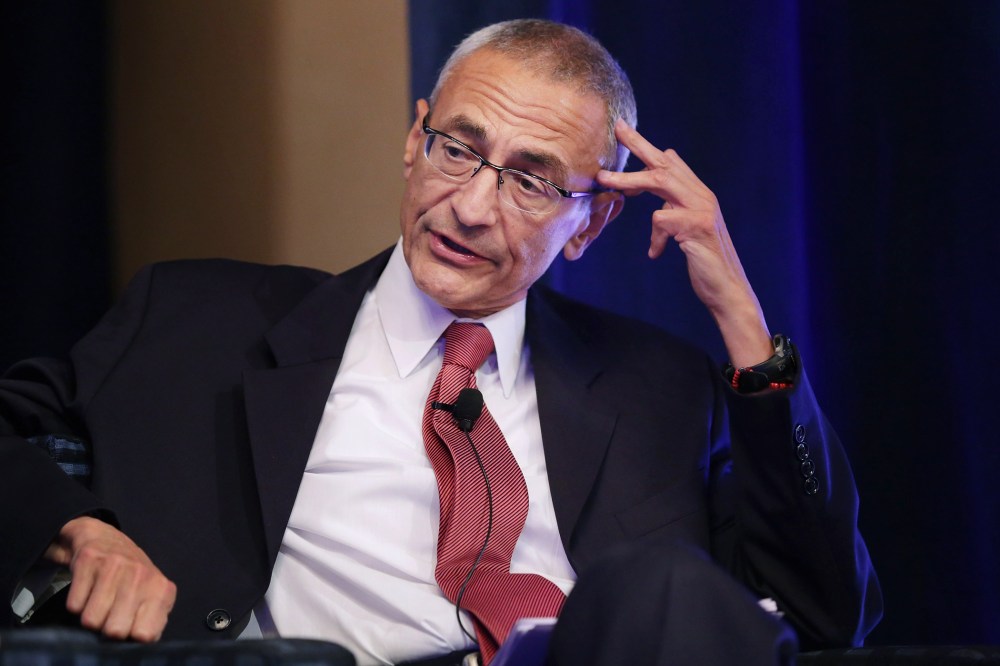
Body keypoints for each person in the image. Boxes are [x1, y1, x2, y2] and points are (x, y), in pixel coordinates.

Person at [0, 18, 881, 666]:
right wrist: (79, 532)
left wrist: (742, 319)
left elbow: (825, 614)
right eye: (457, 149)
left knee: (671, 593)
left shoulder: (659, 390)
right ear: (412, 138)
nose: (468, 205)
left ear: (591, 224)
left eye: (532, 181)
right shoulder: (199, 319)